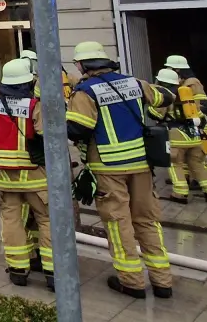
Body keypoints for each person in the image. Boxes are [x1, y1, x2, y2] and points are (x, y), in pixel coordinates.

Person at [66, 41, 174, 299]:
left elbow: (79, 129)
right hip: (141, 165)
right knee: (147, 220)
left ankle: (132, 281)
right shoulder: (134, 83)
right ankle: (162, 281)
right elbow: (166, 96)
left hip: (108, 167)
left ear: (82, 65)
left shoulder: (85, 91)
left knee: (118, 223)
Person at [0, 57, 53, 289]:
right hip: (35, 178)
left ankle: (18, 270)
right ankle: (53, 272)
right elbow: (48, 136)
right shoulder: (34, 106)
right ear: (27, 83)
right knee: (47, 221)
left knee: (11, 221)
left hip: (4, 179)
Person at [157, 57, 207, 205]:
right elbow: (199, 110)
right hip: (193, 132)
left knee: (175, 164)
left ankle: (180, 193)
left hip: (177, 135)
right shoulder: (185, 91)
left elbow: (156, 114)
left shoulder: (177, 91)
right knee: (196, 163)